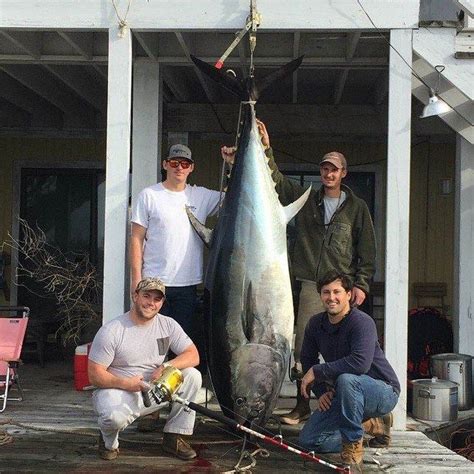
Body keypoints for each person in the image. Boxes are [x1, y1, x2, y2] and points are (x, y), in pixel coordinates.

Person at [221, 121, 376, 425]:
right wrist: (266, 148)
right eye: (325, 169)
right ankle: (303, 406)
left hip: (342, 288)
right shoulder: (308, 200)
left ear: (343, 173)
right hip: (309, 285)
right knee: (304, 346)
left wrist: (362, 284)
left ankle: (346, 404)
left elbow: (366, 250)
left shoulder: (357, 209)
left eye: (334, 170)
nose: (328, 174)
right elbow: (275, 181)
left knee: (344, 348)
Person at [88, 277, 202, 461]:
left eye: (157, 299)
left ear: (162, 303)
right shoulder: (112, 330)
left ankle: (173, 436)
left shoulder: (168, 325)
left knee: (192, 376)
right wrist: (126, 384)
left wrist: (166, 365)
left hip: (156, 390)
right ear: (135, 296)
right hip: (120, 390)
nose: (151, 303)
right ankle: (109, 441)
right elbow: (94, 375)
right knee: (113, 418)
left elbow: (193, 355)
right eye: (146, 296)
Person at [297, 270, 399, 470]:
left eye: (337, 291)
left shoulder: (361, 322)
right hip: (345, 394)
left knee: (346, 378)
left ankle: (353, 450)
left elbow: (360, 363)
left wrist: (318, 372)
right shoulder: (315, 324)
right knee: (309, 441)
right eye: (326, 292)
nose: (331, 297)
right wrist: (321, 391)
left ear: (349, 295)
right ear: (321, 295)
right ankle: (372, 425)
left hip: (382, 391)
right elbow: (307, 359)